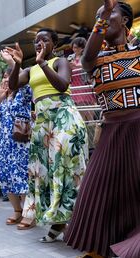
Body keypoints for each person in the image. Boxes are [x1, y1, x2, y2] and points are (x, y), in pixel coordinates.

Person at [64, 2, 140, 258]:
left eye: (109, 14)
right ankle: (102, 246)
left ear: (126, 21)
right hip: (111, 132)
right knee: (96, 192)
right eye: (98, 17)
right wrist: (103, 16)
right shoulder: (94, 58)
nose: (103, 19)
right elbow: (85, 59)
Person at [2, 28, 88, 240]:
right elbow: (12, 86)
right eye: (36, 41)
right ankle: (58, 223)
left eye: (44, 40)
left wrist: (42, 63)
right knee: (46, 174)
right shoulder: (30, 69)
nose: (39, 43)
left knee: (67, 170)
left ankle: (79, 222)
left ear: (54, 44)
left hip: (64, 119)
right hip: (43, 124)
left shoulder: (60, 62)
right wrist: (18, 64)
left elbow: (63, 84)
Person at [0, 67, 32, 227]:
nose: (7, 80)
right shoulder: (2, 96)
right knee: (6, 177)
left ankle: (29, 213)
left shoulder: (22, 93)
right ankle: (17, 211)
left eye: (10, 77)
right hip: (3, 145)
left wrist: (16, 66)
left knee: (21, 177)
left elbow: (26, 85)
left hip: (20, 143)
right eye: (5, 77)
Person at [68, 37, 96, 121]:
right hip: (74, 84)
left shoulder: (86, 57)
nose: (74, 49)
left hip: (85, 84)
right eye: (73, 47)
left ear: (82, 47)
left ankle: (91, 125)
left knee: (88, 108)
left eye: (76, 47)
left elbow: (90, 67)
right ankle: (84, 127)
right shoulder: (70, 57)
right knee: (79, 111)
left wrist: (77, 66)